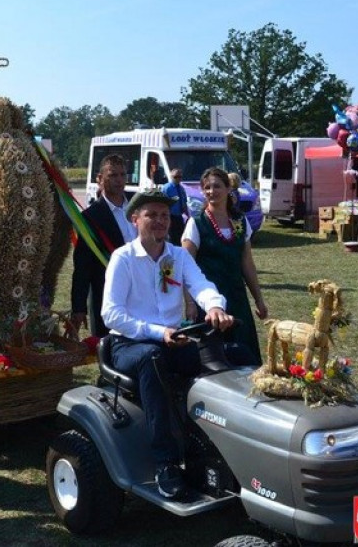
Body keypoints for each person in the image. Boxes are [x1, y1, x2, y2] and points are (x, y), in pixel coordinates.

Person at [102, 188, 234, 500]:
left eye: (164, 215)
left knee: (230, 356)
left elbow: (201, 286)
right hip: (129, 345)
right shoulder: (123, 259)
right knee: (152, 359)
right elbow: (111, 314)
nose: (160, 221)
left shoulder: (178, 256)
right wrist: (157, 332)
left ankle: (216, 448)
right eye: (152, 215)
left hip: (172, 340)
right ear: (135, 220)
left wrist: (215, 307)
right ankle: (166, 463)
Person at [182, 167, 267, 366]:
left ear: (229, 188)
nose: (211, 191)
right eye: (207, 187)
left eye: (217, 186)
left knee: (245, 356)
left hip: (237, 299)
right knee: (215, 360)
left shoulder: (240, 222)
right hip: (207, 304)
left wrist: (259, 300)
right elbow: (185, 266)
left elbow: (247, 264)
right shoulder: (196, 223)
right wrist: (190, 303)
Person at [70, 154, 136, 338]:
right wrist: (78, 308)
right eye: (113, 175)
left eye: (123, 175)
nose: (119, 180)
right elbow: (82, 266)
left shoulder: (138, 205)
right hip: (107, 295)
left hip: (140, 292)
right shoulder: (91, 217)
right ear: (100, 178)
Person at [162, 168, 189, 245]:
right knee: (171, 237)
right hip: (170, 216)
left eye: (180, 177)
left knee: (181, 236)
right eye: (175, 177)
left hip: (179, 216)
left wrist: (188, 215)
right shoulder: (166, 188)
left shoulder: (181, 189)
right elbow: (162, 203)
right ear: (171, 177)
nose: (178, 179)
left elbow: (184, 202)